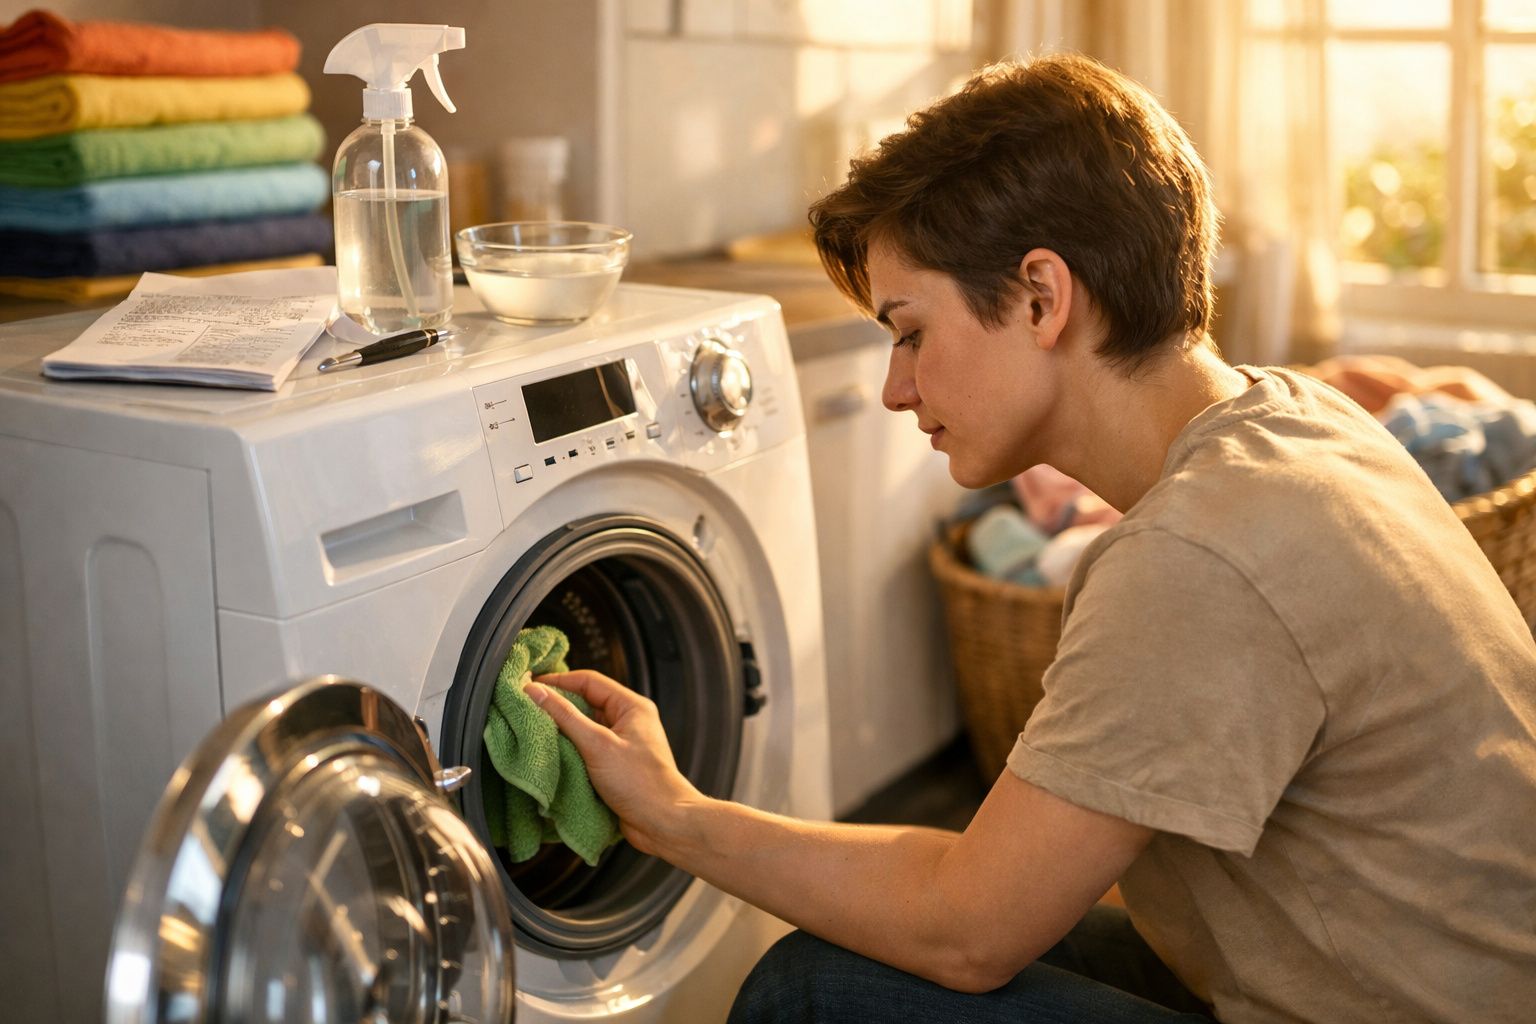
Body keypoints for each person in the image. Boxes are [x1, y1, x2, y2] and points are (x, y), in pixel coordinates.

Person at [525, 53, 1536, 1023]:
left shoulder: (1197, 555)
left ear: (1044, 298)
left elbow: (969, 932)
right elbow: (979, 895)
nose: (895, 386)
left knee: (813, 994)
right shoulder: (1300, 422)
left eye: (911, 330)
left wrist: (673, 817)